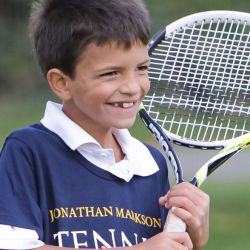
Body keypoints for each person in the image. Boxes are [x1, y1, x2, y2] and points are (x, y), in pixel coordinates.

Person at [0, 0, 209, 249]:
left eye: (141, 68)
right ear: (62, 83)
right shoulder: (28, 150)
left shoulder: (151, 165)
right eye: (111, 73)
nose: (132, 87)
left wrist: (194, 239)